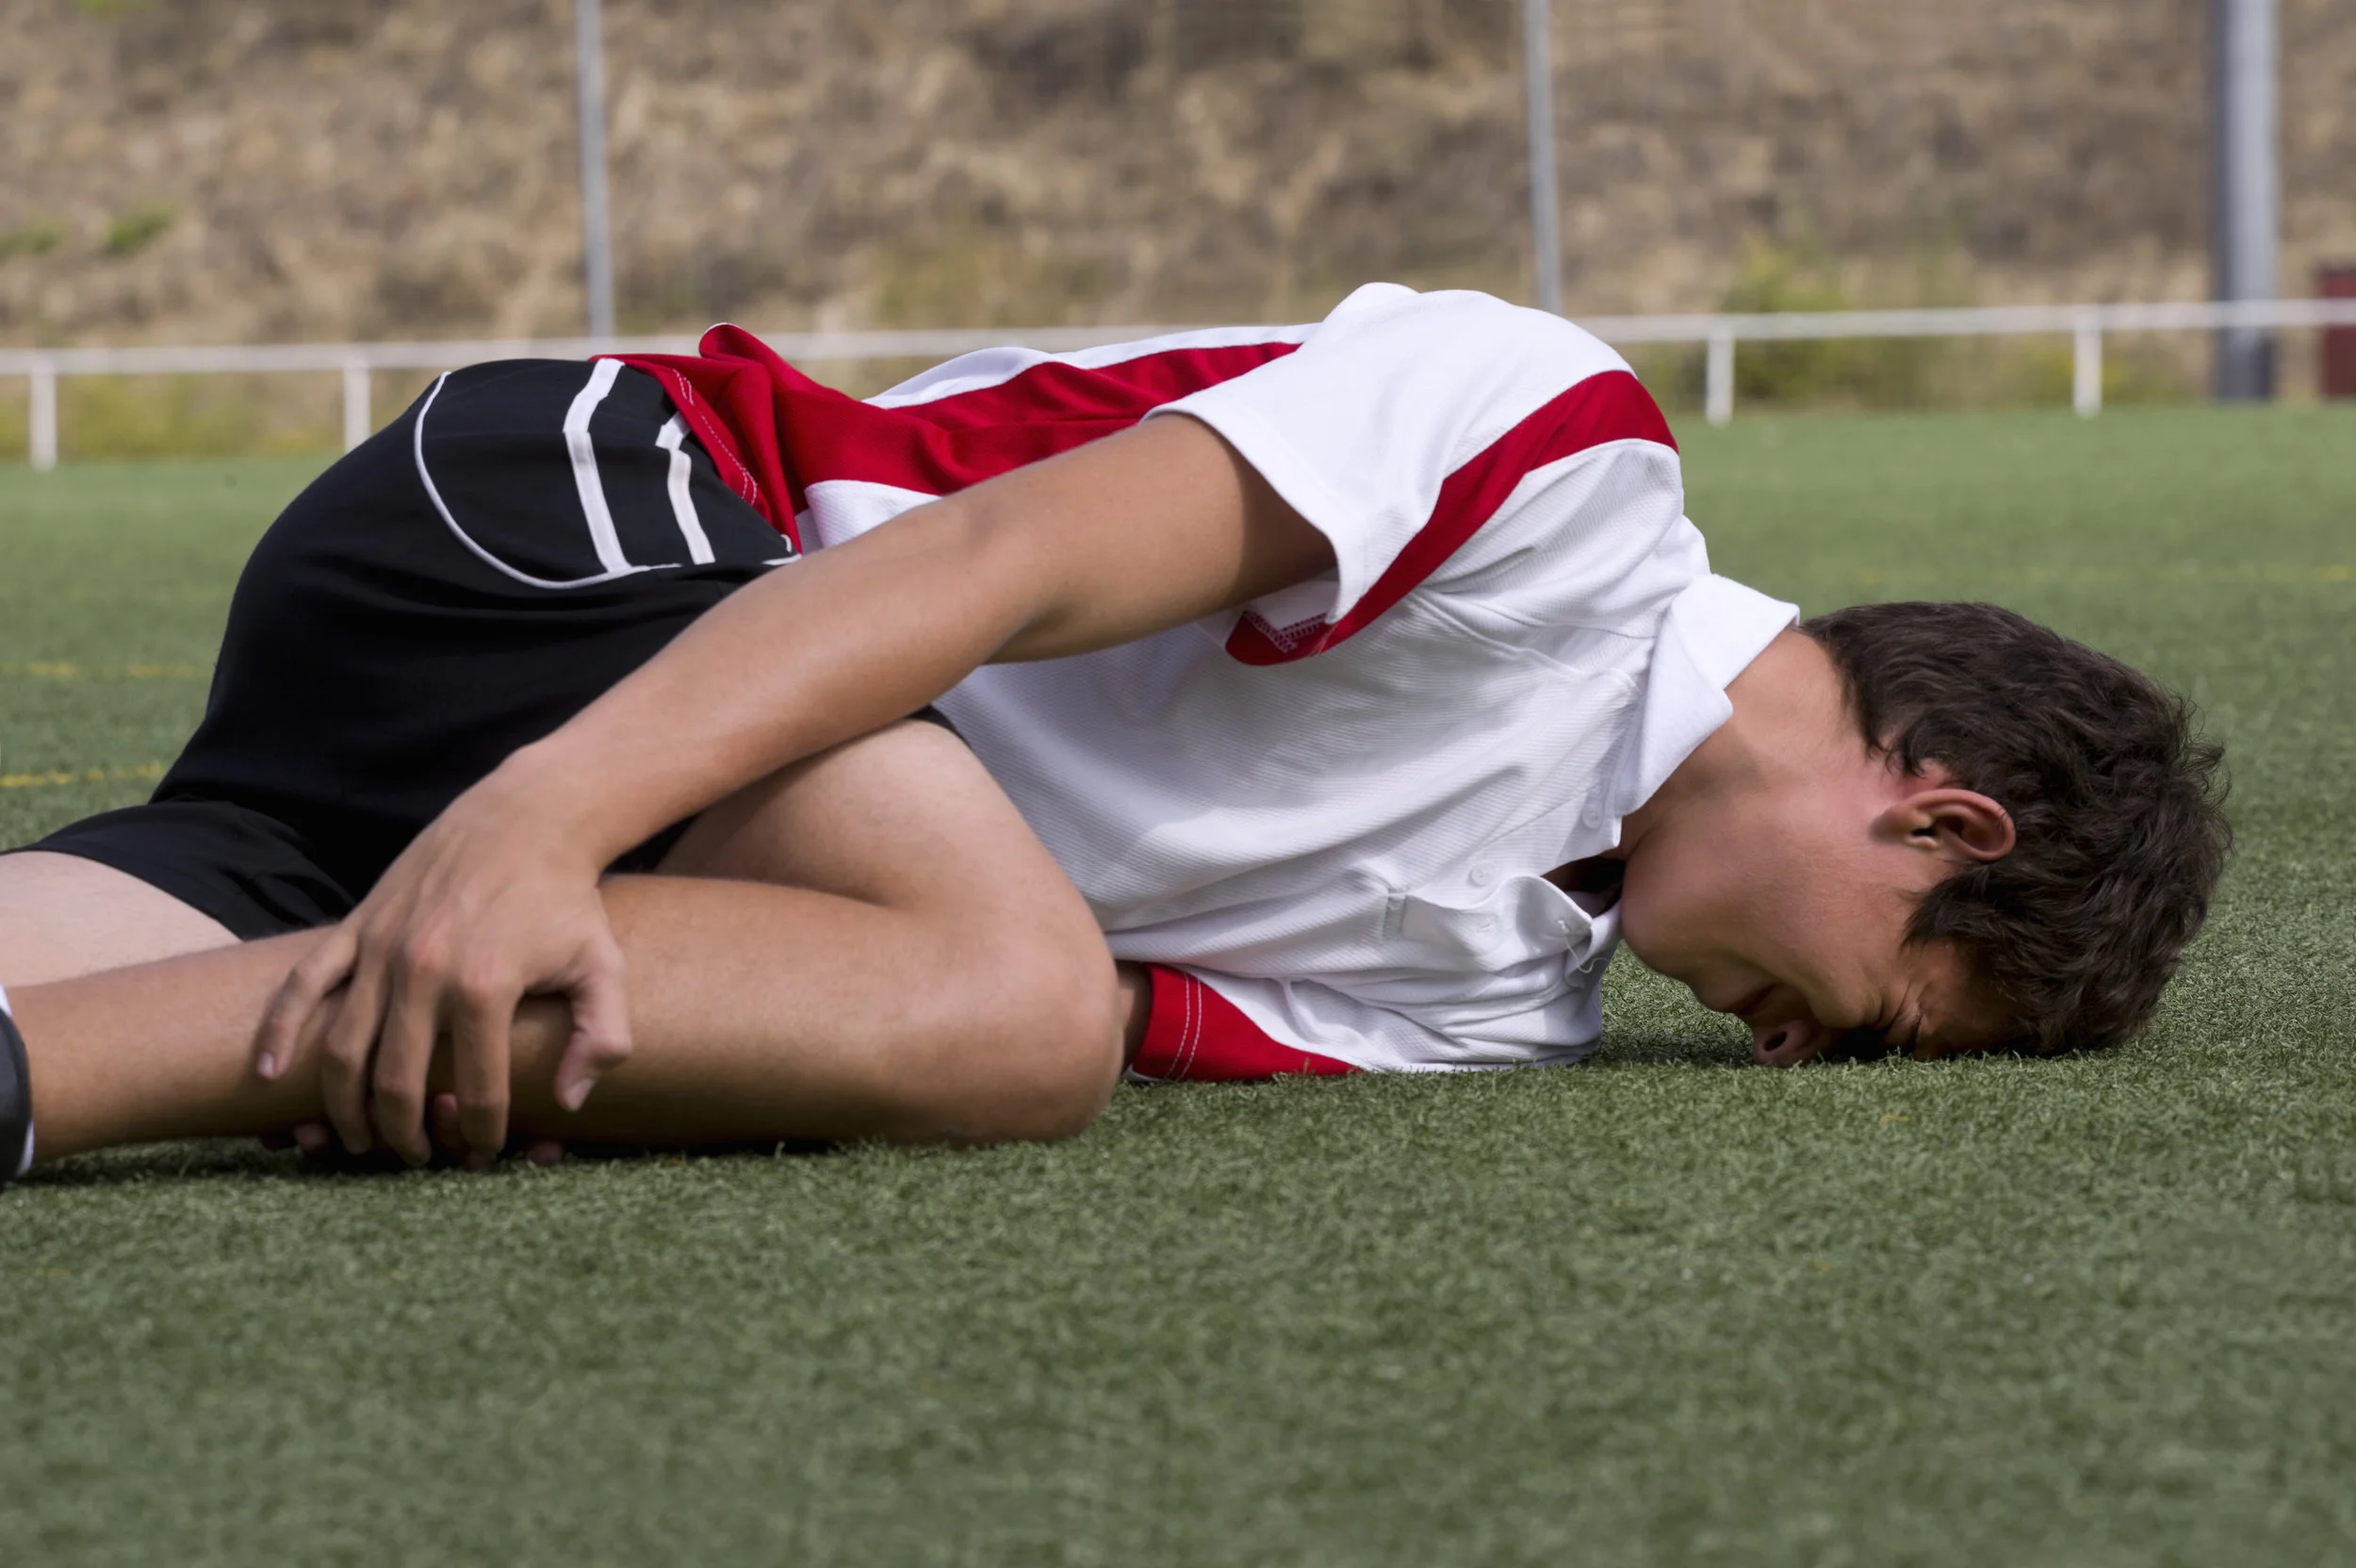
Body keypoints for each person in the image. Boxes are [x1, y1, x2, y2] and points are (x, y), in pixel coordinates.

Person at [0, 285, 2230, 1184]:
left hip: (584, 811)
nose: (1793, 1053)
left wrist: (544, 886)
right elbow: (984, 568)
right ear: (1936, 815)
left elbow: (820, 1007)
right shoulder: (1563, 469)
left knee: (998, 998)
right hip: (613, 511)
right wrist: (539, 817)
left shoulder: (1502, 1007)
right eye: (1873, 1021)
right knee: (1018, 1007)